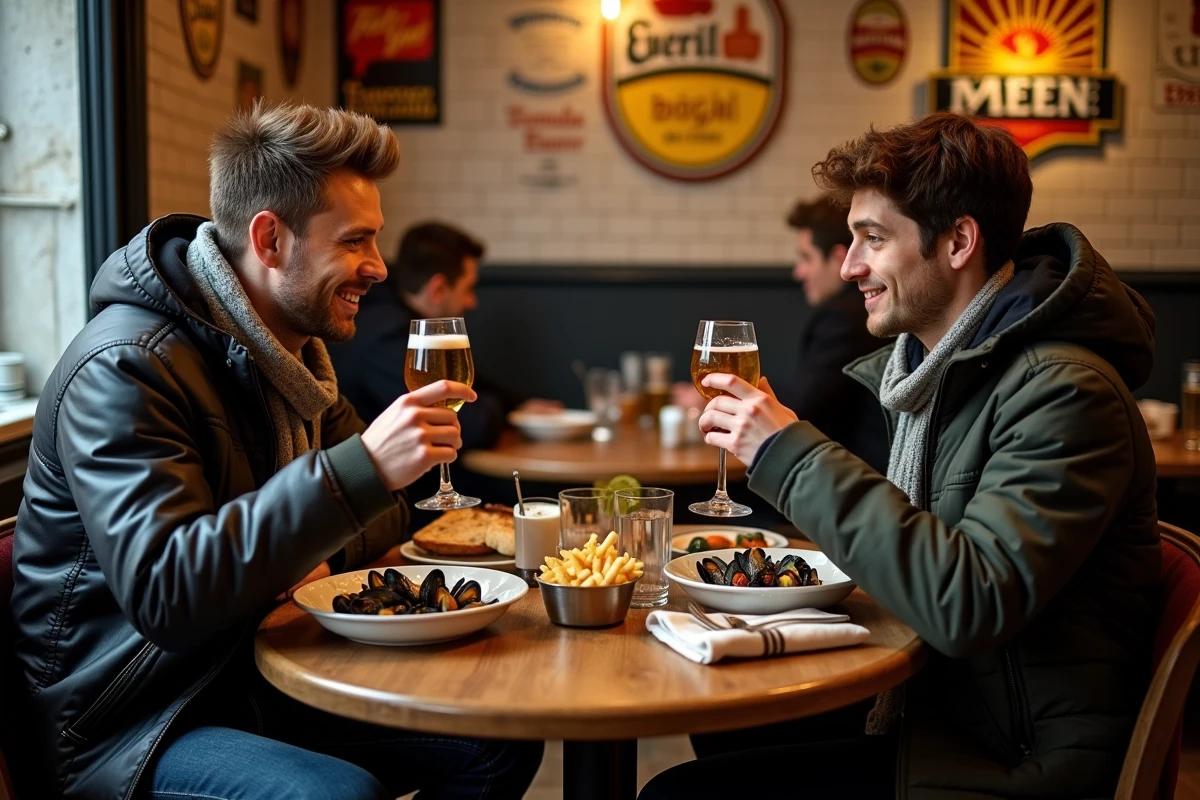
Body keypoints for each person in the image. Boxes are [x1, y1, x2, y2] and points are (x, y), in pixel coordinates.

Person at [10, 102, 542, 800]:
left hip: (251, 672)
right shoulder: (126, 366)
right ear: (269, 240)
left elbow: (386, 519)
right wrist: (360, 476)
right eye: (356, 242)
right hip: (138, 723)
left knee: (499, 736)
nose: (379, 269)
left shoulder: (294, 358)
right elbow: (169, 594)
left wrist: (317, 532)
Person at [643, 112, 1160, 799]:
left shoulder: (1064, 392)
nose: (850, 265)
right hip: (940, 707)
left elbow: (966, 602)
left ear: (958, 242)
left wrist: (786, 452)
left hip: (1012, 760)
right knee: (720, 717)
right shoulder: (933, 378)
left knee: (677, 796)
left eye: (873, 239)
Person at [327, 221, 558, 450]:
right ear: (438, 289)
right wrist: (512, 415)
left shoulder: (393, 318)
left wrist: (518, 406)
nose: (472, 302)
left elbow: (469, 386)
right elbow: (471, 426)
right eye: (468, 288)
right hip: (397, 484)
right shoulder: (387, 334)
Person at [780, 196, 889, 472]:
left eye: (806, 258)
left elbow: (798, 411)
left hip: (850, 482)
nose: (798, 272)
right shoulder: (861, 311)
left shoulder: (843, 317)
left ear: (838, 258)